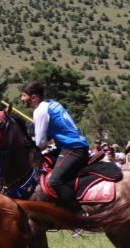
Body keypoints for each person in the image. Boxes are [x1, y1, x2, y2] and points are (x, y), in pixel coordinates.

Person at [20, 80, 89, 213]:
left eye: (24, 95)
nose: (22, 99)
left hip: (73, 149)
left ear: (34, 97)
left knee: (54, 181)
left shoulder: (40, 111)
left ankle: (79, 215)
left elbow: (40, 144)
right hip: (75, 147)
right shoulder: (52, 104)